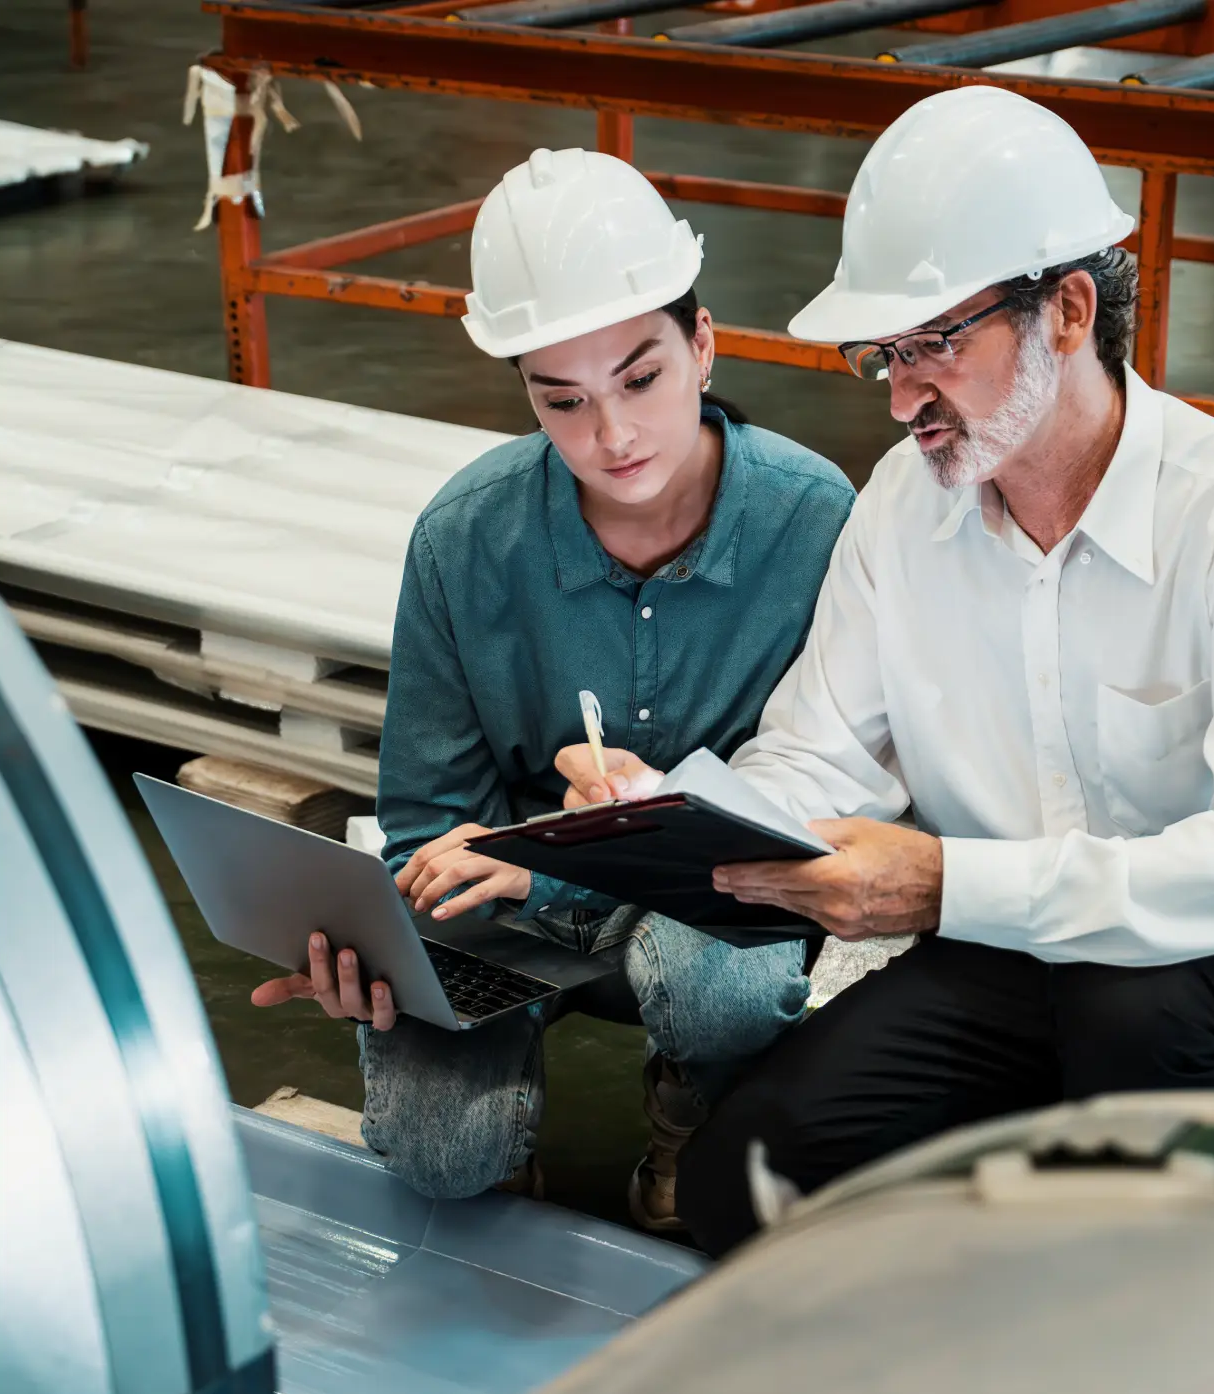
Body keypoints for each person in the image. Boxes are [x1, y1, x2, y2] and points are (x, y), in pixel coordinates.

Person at [556, 87, 1214, 1255]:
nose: (899, 396)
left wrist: (945, 888)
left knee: (1126, 1005)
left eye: (937, 344)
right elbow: (816, 752)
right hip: (1007, 966)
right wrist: (665, 815)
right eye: (882, 355)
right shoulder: (903, 508)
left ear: (1071, 310)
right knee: (748, 1185)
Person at [249, 147, 855, 1229]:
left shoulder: (815, 524)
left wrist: (569, 865)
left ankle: (695, 1113)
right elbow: (431, 822)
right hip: (507, 916)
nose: (611, 436)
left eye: (641, 378)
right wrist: (382, 953)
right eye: (561, 400)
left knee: (720, 978)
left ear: (702, 345)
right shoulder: (465, 539)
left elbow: (819, 813)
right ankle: (493, 1115)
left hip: (704, 907)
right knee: (441, 1158)